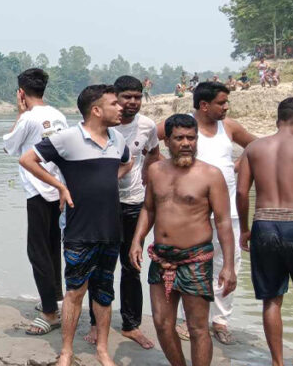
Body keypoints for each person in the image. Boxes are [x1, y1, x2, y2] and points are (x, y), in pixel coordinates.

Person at [19, 84, 130, 366]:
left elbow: (127, 163)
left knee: (104, 292)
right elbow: (27, 159)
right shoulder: (67, 138)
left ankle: (102, 350)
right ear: (96, 110)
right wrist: (60, 186)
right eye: (114, 104)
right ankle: (66, 351)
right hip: (79, 230)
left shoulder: (118, 139)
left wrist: (107, 181)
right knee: (75, 292)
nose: (121, 108)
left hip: (110, 230)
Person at [129, 113, 237, 366]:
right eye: (179, 138)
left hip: (195, 259)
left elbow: (223, 222)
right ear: (167, 141)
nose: (186, 143)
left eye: (191, 137)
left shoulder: (211, 175)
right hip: (161, 257)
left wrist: (229, 266)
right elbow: (149, 208)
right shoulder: (156, 170)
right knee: (162, 323)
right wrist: (137, 240)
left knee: (197, 327)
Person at [156, 81, 256, 344]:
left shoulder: (229, 127)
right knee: (184, 264)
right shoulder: (183, 126)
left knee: (227, 264)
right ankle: (185, 320)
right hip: (190, 211)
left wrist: (237, 165)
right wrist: (162, 166)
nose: (226, 107)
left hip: (227, 210)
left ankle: (220, 320)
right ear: (203, 105)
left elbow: (256, 146)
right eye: (221, 102)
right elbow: (148, 140)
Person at [236, 98, 293, 366]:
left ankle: (277, 361)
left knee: (271, 298)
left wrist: (245, 228)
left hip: (263, 224)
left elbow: (241, 193)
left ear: (279, 119)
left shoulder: (253, 148)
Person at [82, 76, 160, 350]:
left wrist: (149, 176)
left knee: (132, 265)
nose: (133, 102)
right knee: (99, 265)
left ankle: (131, 325)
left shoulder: (148, 126)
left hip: (134, 202)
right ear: (116, 98)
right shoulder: (101, 124)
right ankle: (95, 322)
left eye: (137, 97)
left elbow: (154, 152)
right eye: (127, 97)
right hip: (103, 204)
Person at [2, 68, 69, 335]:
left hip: (39, 190)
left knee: (37, 251)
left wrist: (19, 114)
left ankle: (50, 313)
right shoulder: (59, 116)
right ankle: (55, 298)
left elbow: (8, 147)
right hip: (59, 188)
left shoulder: (28, 119)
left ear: (21, 92)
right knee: (53, 246)